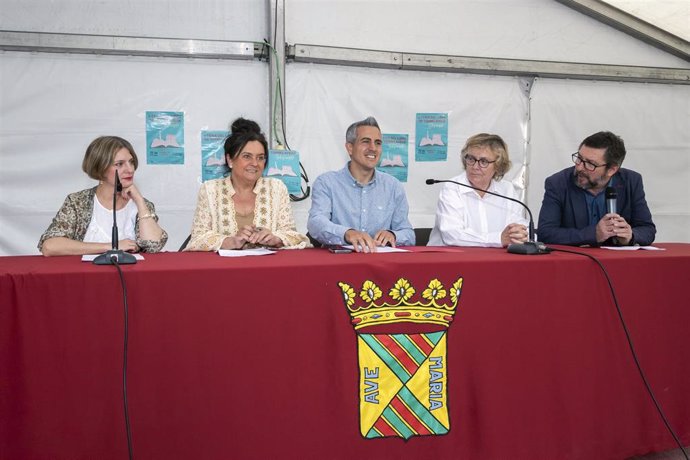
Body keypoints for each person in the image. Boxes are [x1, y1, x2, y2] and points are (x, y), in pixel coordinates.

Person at [184, 118, 308, 251]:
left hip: (268, 268)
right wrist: (230, 241)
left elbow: (293, 235)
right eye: (247, 156)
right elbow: (197, 239)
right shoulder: (210, 190)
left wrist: (276, 238)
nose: (255, 163)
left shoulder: (276, 188)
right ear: (230, 159)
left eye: (260, 157)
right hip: (224, 269)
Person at [38, 136, 167, 256]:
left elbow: (154, 245)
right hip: (85, 277)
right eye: (119, 164)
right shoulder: (78, 202)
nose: (130, 169)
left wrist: (139, 200)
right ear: (100, 168)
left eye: (131, 162)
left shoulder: (142, 205)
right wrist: (111, 247)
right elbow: (49, 247)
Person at [307, 116, 415, 252]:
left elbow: (408, 233)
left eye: (378, 143)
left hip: (381, 265)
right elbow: (315, 223)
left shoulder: (393, 186)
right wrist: (347, 233)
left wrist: (394, 235)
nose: (373, 148)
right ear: (350, 148)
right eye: (366, 142)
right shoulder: (327, 183)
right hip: (338, 265)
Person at [537, 131, 655, 246]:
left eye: (590, 164)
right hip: (574, 262)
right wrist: (593, 234)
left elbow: (647, 229)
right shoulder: (558, 183)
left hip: (618, 261)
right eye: (579, 158)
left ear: (611, 170)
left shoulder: (631, 181)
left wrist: (630, 236)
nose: (579, 168)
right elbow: (545, 233)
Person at [427, 133, 528, 247]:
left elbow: (522, 228)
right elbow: (453, 236)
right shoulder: (452, 188)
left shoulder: (507, 190)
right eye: (471, 159)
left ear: (498, 166)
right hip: (450, 260)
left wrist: (521, 234)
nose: (475, 166)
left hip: (494, 259)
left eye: (483, 161)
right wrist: (498, 239)